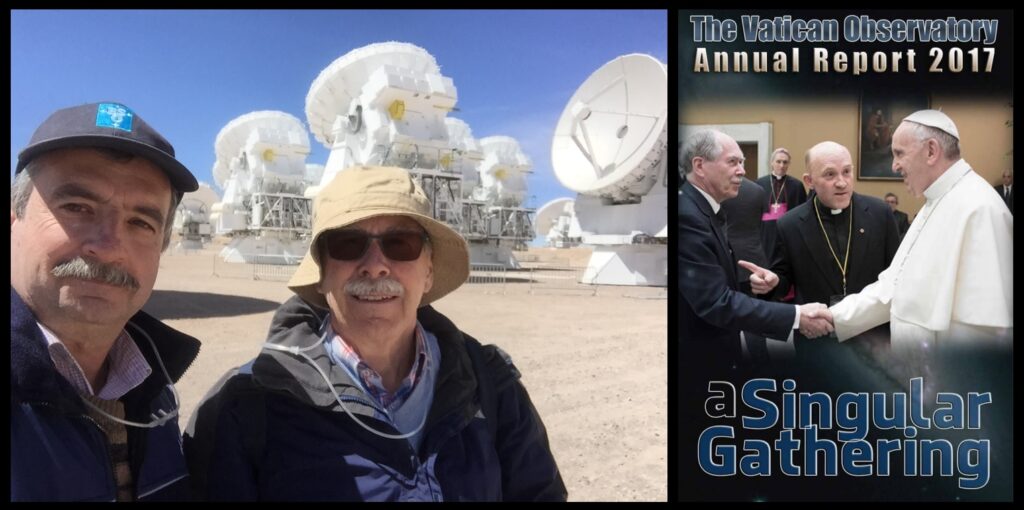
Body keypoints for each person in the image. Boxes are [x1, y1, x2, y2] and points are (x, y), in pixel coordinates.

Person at [183, 166, 566, 501]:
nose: (375, 266)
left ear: (429, 270)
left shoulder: (490, 383)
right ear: (320, 273)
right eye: (348, 244)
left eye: (401, 244)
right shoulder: (244, 405)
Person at [11, 102, 201, 501]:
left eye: (140, 223)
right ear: (15, 219)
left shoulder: (153, 393)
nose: (109, 247)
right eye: (77, 208)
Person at [814, 110, 1012, 354]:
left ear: (931, 151)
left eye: (899, 154)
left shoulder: (979, 209)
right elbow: (893, 289)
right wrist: (833, 316)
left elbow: (984, 331)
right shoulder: (936, 202)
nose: (894, 165)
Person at [678, 129, 832, 370]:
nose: (742, 170)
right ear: (699, 166)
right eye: (732, 162)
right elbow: (717, 302)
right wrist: (796, 316)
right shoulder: (688, 217)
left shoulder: (704, 208)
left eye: (742, 162)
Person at [743, 142, 901, 365]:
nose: (841, 182)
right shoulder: (790, 224)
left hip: (873, 340)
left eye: (847, 171)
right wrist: (773, 282)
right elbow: (784, 276)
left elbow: (896, 275)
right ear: (809, 181)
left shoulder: (880, 213)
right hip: (818, 341)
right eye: (829, 174)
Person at [719, 177, 772, 363]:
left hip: (728, 257)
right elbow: (762, 222)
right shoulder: (758, 190)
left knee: (726, 312)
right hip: (754, 257)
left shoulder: (719, 189)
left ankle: (730, 361)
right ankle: (760, 360)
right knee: (752, 315)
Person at [756, 148, 808, 294]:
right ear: (772, 163)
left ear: (789, 164)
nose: (781, 165)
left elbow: (801, 210)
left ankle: (784, 290)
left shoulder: (796, 185)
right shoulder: (760, 183)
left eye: (785, 162)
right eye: (778, 161)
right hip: (765, 232)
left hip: (786, 231)